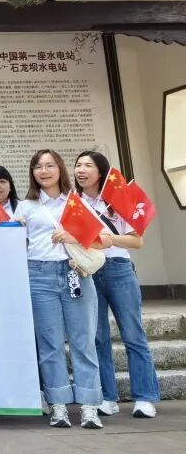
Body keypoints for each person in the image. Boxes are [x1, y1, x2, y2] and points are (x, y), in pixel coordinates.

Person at [14, 149, 106, 429]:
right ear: (32, 172)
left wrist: (73, 235)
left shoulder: (77, 201)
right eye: (38, 166)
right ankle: (58, 405)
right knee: (50, 344)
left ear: (60, 169)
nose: (44, 171)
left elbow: (101, 239)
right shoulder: (25, 206)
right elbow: (15, 245)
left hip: (74, 272)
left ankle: (89, 406)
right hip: (38, 275)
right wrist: (14, 230)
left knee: (83, 341)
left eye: (50, 165)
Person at [74, 151, 159, 419]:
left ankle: (144, 397)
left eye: (88, 165)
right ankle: (107, 397)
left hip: (119, 269)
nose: (81, 170)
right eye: (78, 165)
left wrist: (110, 239)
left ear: (101, 172)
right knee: (98, 337)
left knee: (133, 334)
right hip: (88, 270)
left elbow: (137, 241)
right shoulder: (73, 202)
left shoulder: (118, 200)